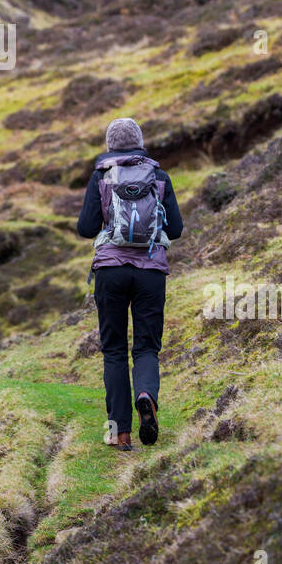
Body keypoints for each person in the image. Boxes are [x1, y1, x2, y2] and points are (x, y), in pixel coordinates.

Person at [76, 117, 183, 453]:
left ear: (110, 146)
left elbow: (85, 227)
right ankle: (146, 395)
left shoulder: (101, 176)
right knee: (147, 347)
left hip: (110, 272)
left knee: (114, 352)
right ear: (140, 142)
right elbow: (176, 228)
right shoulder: (159, 176)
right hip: (150, 272)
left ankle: (120, 433)